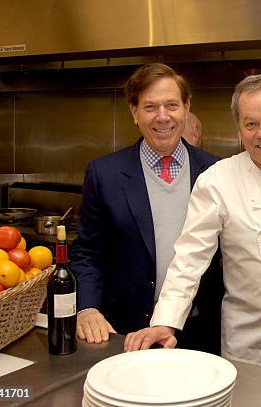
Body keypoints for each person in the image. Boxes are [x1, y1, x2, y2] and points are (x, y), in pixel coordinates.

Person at [124, 74, 261, 377]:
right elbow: (190, 259)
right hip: (248, 349)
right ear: (239, 129)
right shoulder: (217, 181)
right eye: (251, 124)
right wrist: (165, 321)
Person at [70, 63, 223, 354]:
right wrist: (87, 307)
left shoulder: (216, 170)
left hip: (199, 330)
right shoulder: (105, 174)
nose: (162, 116)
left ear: (186, 107)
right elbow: (88, 251)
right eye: (150, 107)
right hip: (127, 332)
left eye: (171, 105)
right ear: (134, 111)